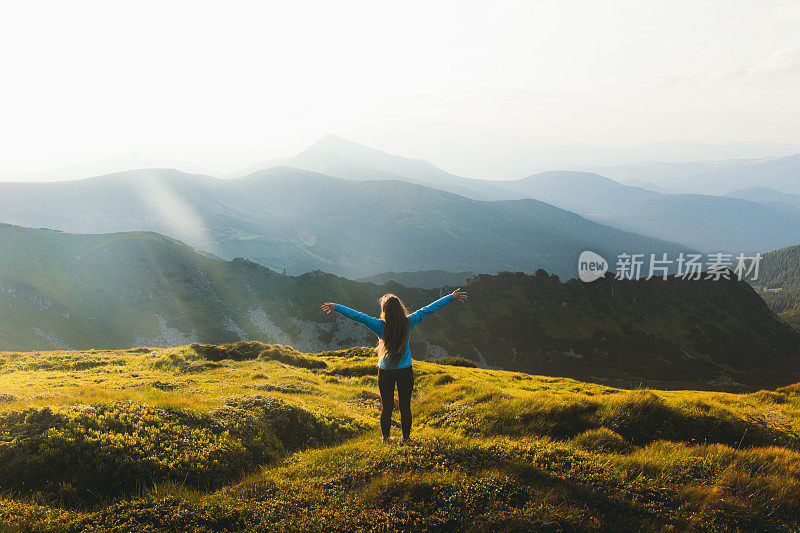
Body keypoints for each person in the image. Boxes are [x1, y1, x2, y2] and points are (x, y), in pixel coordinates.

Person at [321, 288, 468, 444]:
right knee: (405, 407)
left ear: (384, 311)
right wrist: (450, 297)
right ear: (400, 309)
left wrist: (336, 307)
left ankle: (386, 438)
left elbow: (358, 316)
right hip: (405, 372)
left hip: (385, 372)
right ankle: (406, 439)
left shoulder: (378, 325)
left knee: (387, 408)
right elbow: (428, 309)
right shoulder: (409, 322)